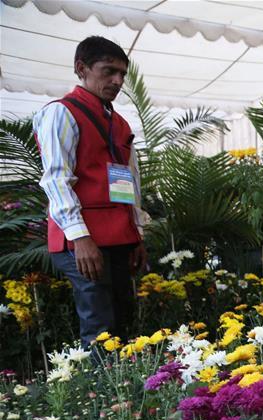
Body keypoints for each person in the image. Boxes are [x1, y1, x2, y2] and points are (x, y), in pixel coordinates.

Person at [33, 36, 147, 349]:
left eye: (122, 74)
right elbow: (57, 180)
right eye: (108, 70)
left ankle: (125, 395)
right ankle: (102, 395)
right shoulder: (61, 113)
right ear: (81, 68)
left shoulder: (120, 123)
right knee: (100, 329)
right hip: (83, 240)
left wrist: (135, 234)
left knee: (124, 321)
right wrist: (80, 239)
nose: (118, 80)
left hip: (119, 237)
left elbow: (127, 183)